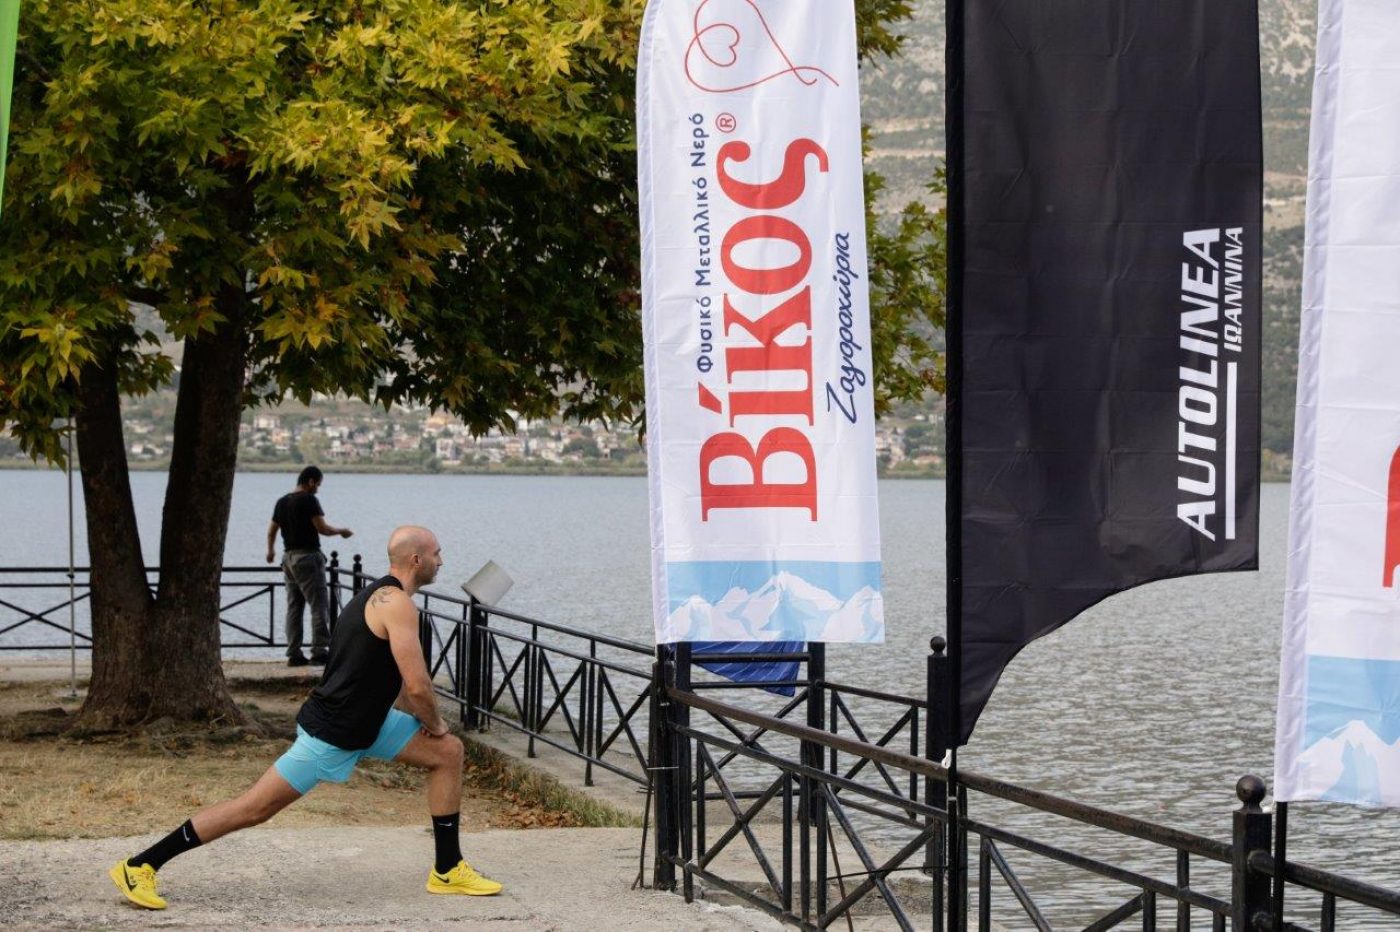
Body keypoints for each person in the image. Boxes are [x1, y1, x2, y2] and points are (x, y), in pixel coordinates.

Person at [109, 526, 503, 910]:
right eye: (436, 554)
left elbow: (399, 681)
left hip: (369, 724)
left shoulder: (378, 596)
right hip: (334, 732)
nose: (440, 561)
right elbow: (418, 686)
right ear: (417, 560)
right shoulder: (397, 604)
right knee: (253, 809)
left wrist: (424, 728)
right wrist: (435, 724)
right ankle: (140, 865)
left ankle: (447, 869)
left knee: (447, 752)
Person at [266, 465, 353, 666]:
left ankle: (294, 653)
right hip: (307, 558)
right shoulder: (309, 500)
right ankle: (319, 651)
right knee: (319, 605)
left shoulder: (282, 501)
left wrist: (270, 551)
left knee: (294, 607)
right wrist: (342, 531)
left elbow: (271, 531)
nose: (318, 489)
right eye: (318, 485)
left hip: (288, 559)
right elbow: (323, 529)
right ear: (311, 481)